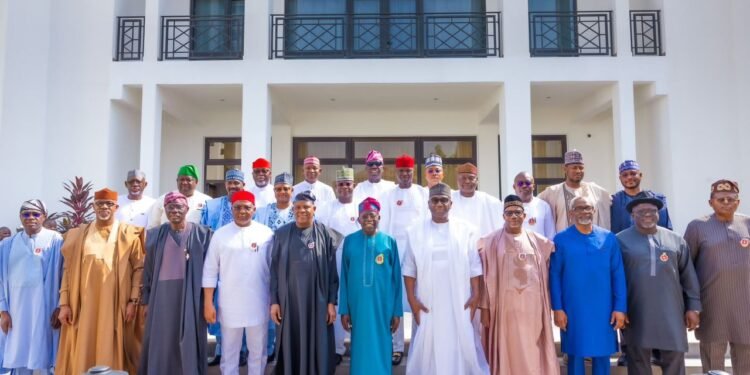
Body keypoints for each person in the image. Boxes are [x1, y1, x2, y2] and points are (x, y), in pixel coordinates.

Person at [56, 188, 145, 374]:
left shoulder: (128, 234)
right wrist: (64, 303)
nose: (104, 207)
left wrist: (133, 300)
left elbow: (139, 269)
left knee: (113, 343)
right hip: (84, 306)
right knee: (83, 344)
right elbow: (68, 271)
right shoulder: (79, 235)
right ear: (93, 207)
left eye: (109, 204)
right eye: (100, 204)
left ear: (116, 207)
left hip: (115, 305)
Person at [402, 183, 488, 375]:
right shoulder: (415, 231)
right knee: (429, 342)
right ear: (428, 204)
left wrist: (476, 294)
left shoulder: (466, 230)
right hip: (427, 300)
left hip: (459, 298)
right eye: (435, 200)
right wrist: (412, 300)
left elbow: (475, 265)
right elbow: (409, 269)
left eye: (443, 200)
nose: (439, 204)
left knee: (461, 339)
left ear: (451, 204)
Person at [616, 191, 701, 375]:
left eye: (652, 210)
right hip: (636, 310)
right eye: (641, 211)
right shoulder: (619, 240)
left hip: (671, 310)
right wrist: (619, 308)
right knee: (638, 358)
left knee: (675, 355)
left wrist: (693, 307)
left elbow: (688, 276)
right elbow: (614, 278)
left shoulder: (675, 239)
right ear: (632, 215)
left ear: (659, 213)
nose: (647, 214)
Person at [478, 195, 558, 375]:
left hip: (532, 308)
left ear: (524, 215)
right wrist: (484, 307)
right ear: (503, 216)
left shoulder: (539, 241)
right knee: (508, 347)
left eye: (517, 212)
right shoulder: (490, 241)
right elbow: (484, 276)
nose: (513, 216)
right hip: (504, 308)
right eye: (509, 213)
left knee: (532, 348)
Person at [550, 196, 627, 375]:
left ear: (594, 211)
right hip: (573, 308)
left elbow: (618, 274)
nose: (584, 211)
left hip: (603, 308)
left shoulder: (608, 238)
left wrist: (620, 308)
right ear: (571, 213)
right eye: (579, 208)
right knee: (575, 354)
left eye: (588, 208)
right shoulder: (561, 239)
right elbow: (554, 276)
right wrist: (558, 308)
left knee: (602, 354)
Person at [139, 192, 212, 375]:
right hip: (161, 294)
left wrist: (209, 301)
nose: (175, 211)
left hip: (191, 294)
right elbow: (147, 270)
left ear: (187, 209)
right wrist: (146, 300)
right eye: (170, 207)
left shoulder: (203, 234)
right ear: (165, 210)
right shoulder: (154, 235)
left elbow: (212, 269)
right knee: (162, 338)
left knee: (189, 337)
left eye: (179, 207)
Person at [270, 191, 341, 375]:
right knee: (290, 342)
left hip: (318, 302)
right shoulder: (282, 234)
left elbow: (333, 271)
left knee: (319, 343)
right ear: (292, 209)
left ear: (314, 209)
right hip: (290, 303)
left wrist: (331, 302)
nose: (302, 211)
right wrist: (274, 302)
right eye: (298, 207)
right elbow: (274, 271)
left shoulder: (326, 234)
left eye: (306, 207)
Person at [204, 190, 274, 375]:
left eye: (246, 207)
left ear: (254, 209)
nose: (242, 211)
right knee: (229, 352)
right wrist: (208, 303)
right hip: (229, 304)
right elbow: (210, 270)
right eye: (238, 207)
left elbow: (274, 270)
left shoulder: (266, 234)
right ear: (232, 209)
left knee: (258, 351)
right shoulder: (220, 235)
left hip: (259, 302)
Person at [684, 179, 750, 374]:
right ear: (710, 202)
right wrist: (692, 306)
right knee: (714, 363)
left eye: (731, 199)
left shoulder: (747, 223)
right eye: (721, 199)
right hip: (712, 306)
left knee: (746, 361)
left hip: (745, 306)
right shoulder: (697, 226)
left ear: (738, 202)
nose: (726, 202)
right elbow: (686, 268)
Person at [339, 197, 403, 375]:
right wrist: (344, 309)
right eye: (364, 215)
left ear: (379, 217)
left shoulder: (389, 242)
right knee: (360, 345)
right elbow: (344, 276)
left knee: (382, 343)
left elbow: (396, 279)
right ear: (358, 219)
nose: (368, 219)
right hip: (357, 306)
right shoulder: (350, 241)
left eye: (372, 215)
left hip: (383, 307)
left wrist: (397, 311)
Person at [0, 200, 63, 375]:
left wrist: (59, 305)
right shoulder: (7, 244)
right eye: (26, 214)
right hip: (16, 310)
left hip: (44, 307)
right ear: (20, 217)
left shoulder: (55, 239)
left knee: (45, 352)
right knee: (18, 353)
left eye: (36, 214)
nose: (31, 218)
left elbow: (63, 276)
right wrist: (3, 310)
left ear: (44, 216)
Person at [378, 154, 426, 365]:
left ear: (413, 172)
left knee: (418, 298)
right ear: (396, 173)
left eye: (408, 171)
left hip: (418, 253)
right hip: (395, 253)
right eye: (402, 171)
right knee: (394, 300)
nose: (405, 175)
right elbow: (384, 225)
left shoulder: (422, 193)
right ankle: (396, 347)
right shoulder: (389, 195)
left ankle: (419, 345)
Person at [199, 168, 248, 366]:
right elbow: (203, 234)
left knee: (244, 308)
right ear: (225, 184)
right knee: (220, 310)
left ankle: (243, 351)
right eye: (230, 182)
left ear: (243, 185)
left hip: (243, 267)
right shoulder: (211, 206)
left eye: (237, 182)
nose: (233, 186)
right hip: (218, 266)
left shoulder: (248, 206)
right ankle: (220, 350)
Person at [315, 167, 360, 364]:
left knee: (357, 303)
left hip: (357, 264)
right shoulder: (326, 208)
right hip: (333, 262)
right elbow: (321, 236)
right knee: (337, 302)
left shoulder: (360, 207)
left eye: (347, 184)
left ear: (354, 186)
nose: (344, 187)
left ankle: (359, 345)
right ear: (335, 186)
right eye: (340, 184)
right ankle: (338, 348)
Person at [254, 172, 295, 361]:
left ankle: (289, 349)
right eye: (278, 189)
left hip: (294, 271)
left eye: (286, 189)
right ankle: (270, 349)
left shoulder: (300, 210)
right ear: (274, 190)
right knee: (269, 306)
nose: (282, 192)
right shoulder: (263, 211)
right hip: (268, 267)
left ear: (292, 190)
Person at [538, 150, 611, 232]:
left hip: (591, 241)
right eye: (574, 168)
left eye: (581, 168)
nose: (578, 171)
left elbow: (613, 202)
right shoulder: (552, 192)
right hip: (565, 241)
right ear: (565, 169)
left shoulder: (596, 191)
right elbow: (534, 204)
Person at [611, 160, 672, 234]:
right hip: (623, 244)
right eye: (625, 175)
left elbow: (667, 230)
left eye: (633, 173)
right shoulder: (614, 201)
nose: (629, 177)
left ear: (640, 175)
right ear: (620, 178)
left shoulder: (657, 199)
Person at [450, 162, 503, 237]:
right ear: (457, 180)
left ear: (477, 180)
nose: (467, 181)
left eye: (471, 178)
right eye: (463, 178)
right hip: (457, 246)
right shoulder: (449, 199)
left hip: (482, 246)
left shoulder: (490, 201)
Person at [512, 171, 555, 239]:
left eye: (528, 183)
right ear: (514, 187)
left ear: (533, 186)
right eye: (520, 183)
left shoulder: (543, 206)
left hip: (539, 249)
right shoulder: (506, 207)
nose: (524, 186)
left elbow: (550, 235)